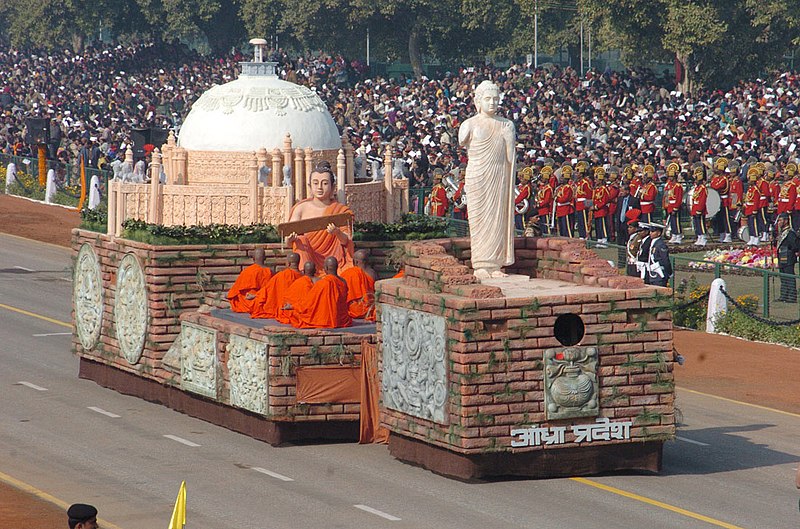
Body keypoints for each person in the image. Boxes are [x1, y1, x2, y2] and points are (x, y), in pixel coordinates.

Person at [458, 80, 516, 280]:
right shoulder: (469, 124)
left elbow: (510, 159)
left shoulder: (507, 125)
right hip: (477, 176)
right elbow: (461, 142)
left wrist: (509, 139)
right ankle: (481, 264)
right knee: (479, 220)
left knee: (497, 219)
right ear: (478, 101)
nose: (492, 103)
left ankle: (496, 264)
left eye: (495, 99)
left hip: (499, 175)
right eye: (488, 99)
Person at [285, 160, 355, 274]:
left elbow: (347, 241)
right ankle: (306, 276)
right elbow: (288, 242)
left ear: (333, 187)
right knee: (300, 240)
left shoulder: (340, 211)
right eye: (316, 183)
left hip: (333, 262)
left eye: (325, 183)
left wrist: (337, 232)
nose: (320, 187)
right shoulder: (300, 209)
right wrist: (289, 239)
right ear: (310, 186)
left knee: (350, 275)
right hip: (307, 261)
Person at [291, 256, 352, 328]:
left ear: (326, 268)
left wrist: (294, 306)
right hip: (342, 319)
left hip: (326, 319)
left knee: (294, 315)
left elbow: (309, 303)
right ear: (337, 267)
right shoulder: (343, 281)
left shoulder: (323, 283)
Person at [250, 252, 302, 319]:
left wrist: (256, 295)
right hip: (298, 308)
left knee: (257, 304)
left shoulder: (282, 275)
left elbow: (267, 290)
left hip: (283, 307)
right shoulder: (304, 277)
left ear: (288, 263)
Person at [226, 248, 272, 313]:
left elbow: (233, 293)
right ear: (265, 258)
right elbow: (272, 291)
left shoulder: (247, 271)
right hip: (263, 302)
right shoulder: (270, 272)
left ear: (253, 258)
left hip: (248, 303)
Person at [340, 249, 377, 321]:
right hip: (370, 309)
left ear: (355, 262)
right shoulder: (373, 273)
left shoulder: (349, 274)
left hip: (354, 310)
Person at [775, 213, 799, 303]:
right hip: (782, 257)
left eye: (780, 220)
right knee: (783, 277)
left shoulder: (790, 233)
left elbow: (795, 245)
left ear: (786, 221)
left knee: (789, 277)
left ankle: (792, 297)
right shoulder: (782, 232)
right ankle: (784, 295)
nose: (779, 222)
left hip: (788, 257)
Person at [663, 163, 683, 244]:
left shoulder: (678, 186)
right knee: (672, 221)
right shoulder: (669, 185)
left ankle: (679, 235)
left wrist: (676, 207)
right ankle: (674, 234)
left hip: (675, 205)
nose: (670, 178)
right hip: (670, 205)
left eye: (671, 176)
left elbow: (678, 198)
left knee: (677, 221)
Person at [690, 163, 709, 246]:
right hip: (695, 207)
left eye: (696, 179)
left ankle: (703, 237)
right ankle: (699, 236)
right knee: (696, 223)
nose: (695, 181)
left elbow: (702, 200)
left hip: (699, 208)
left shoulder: (702, 188)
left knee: (701, 223)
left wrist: (699, 209)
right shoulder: (697, 188)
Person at [744, 167, 762, 246]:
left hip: (752, 209)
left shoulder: (755, 189)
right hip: (748, 208)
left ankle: (756, 237)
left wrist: (754, 210)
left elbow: (756, 201)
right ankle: (751, 237)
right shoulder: (750, 189)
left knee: (754, 224)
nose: (748, 182)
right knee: (750, 224)